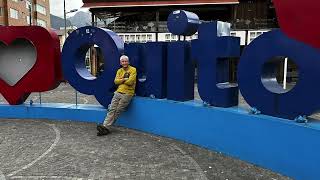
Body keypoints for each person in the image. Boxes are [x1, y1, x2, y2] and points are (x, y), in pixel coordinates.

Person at [97, 55, 137, 136]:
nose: (124, 63)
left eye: (126, 61)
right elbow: (115, 81)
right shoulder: (119, 70)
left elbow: (130, 82)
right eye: (123, 61)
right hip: (118, 92)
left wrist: (121, 80)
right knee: (112, 109)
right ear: (120, 63)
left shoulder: (133, 70)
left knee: (118, 110)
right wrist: (124, 79)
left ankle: (105, 127)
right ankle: (105, 127)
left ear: (128, 62)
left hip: (128, 93)